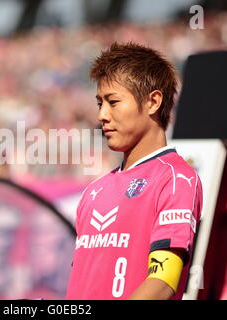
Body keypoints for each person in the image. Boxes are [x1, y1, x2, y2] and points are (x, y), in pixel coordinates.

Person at [65, 42, 203, 300]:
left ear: (153, 102)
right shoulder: (93, 191)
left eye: (113, 102)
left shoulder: (175, 179)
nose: (102, 115)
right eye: (99, 103)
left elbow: (163, 281)